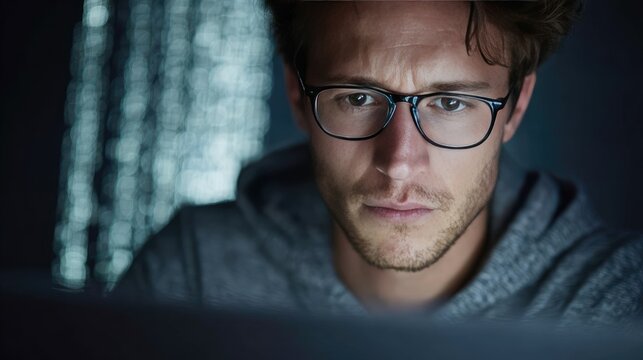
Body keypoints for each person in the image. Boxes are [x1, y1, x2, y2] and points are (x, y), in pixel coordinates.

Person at [114, 1, 643, 326]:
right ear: (297, 95)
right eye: (358, 98)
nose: (400, 163)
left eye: (452, 103)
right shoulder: (193, 277)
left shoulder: (620, 306)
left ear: (516, 107)